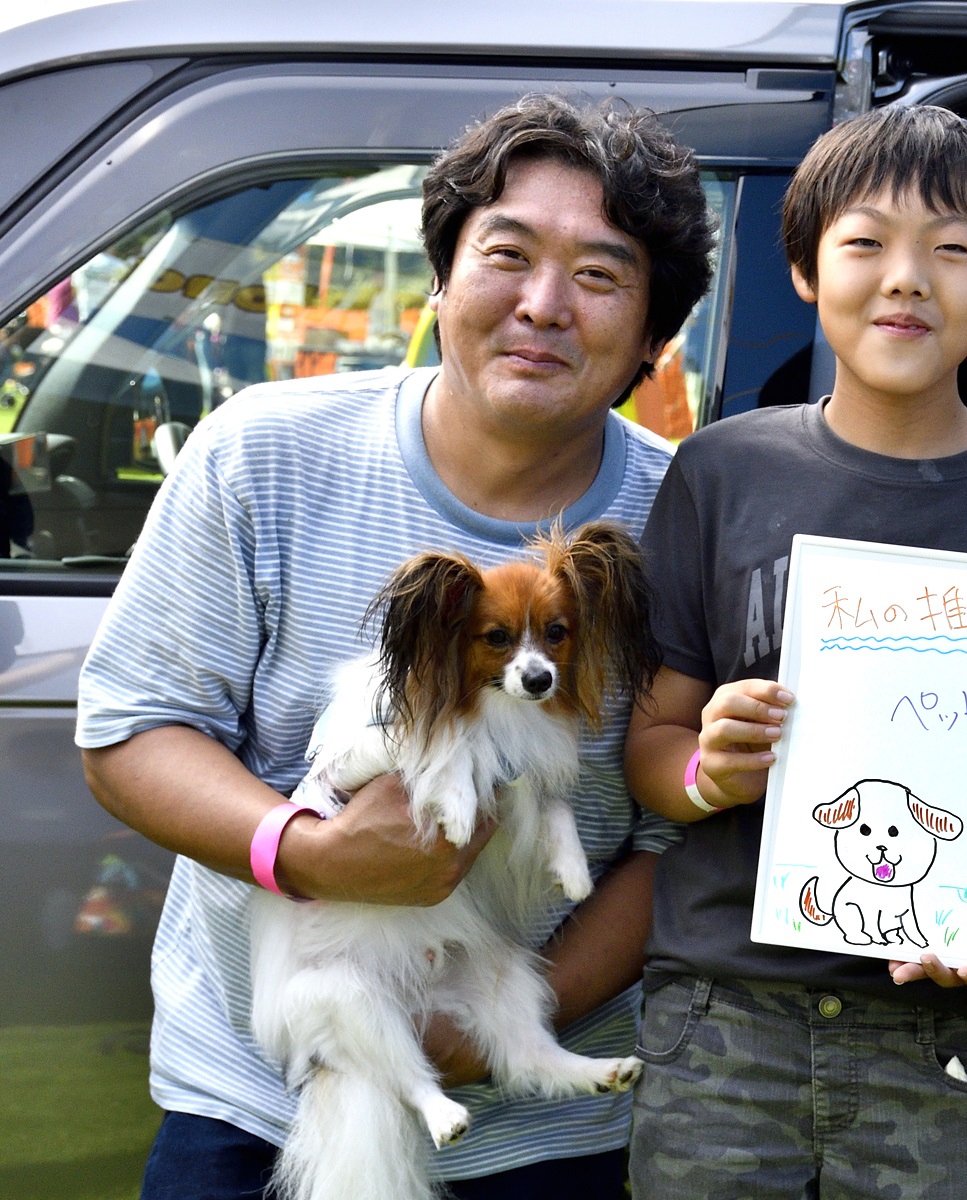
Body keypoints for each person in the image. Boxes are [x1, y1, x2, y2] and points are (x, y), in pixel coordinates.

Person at [75, 94, 715, 1198]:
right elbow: (133, 731)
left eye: (601, 276)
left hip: (550, 1143)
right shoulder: (260, 456)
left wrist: (508, 1019)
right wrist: (307, 852)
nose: (543, 305)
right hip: (258, 1103)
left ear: (655, 340)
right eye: (506, 254)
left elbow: (688, 837)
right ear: (444, 275)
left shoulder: (690, 518)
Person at [622, 104, 967, 1200]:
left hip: (943, 1032)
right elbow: (652, 745)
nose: (906, 278)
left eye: (950, 250)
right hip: (722, 1019)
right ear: (807, 270)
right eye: (865, 244)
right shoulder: (720, 473)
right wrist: (710, 769)